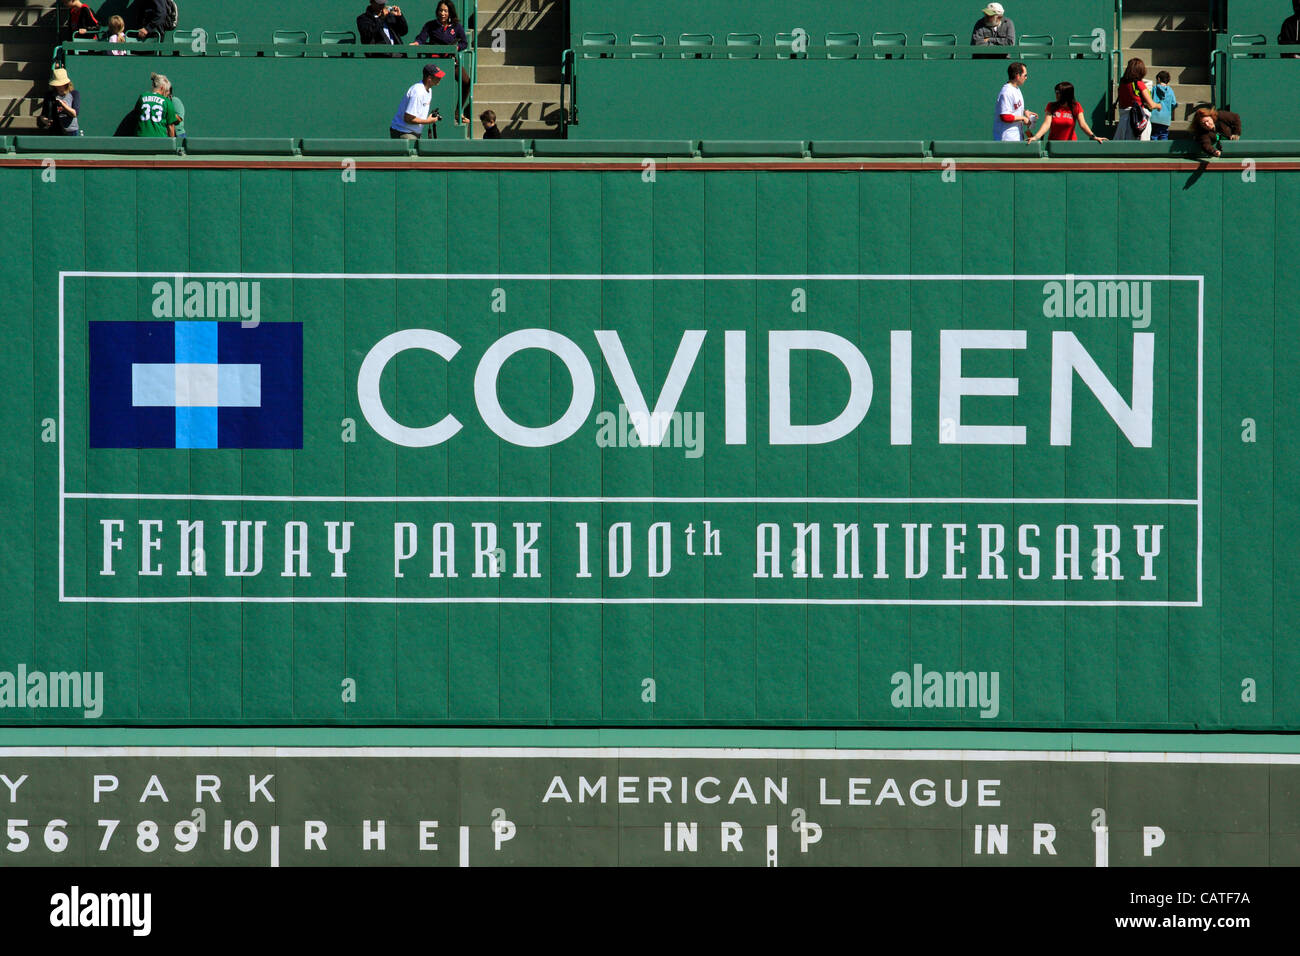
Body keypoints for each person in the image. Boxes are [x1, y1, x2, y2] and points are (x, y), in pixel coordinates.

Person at [410, 0, 471, 120]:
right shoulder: (430, 25)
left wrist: (456, 48)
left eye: (445, 11)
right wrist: (417, 43)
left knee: (467, 82)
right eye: (440, 10)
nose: (442, 13)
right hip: (435, 62)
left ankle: (458, 112)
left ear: (450, 13)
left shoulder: (456, 27)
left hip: (451, 61)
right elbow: (421, 38)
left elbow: (464, 43)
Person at [1028, 81, 1106, 142]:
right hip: (1053, 145)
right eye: (1056, 93)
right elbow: (1046, 124)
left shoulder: (1076, 106)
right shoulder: (1051, 106)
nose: (1056, 95)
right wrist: (1035, 137)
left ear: (1066, 94)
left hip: (1070, 145)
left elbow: (1083, 124)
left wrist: (1094, 137)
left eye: (1059, 93)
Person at [390, 63, 444, 139]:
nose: (440, 78)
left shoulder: (429, 90)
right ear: (429, 78)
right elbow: (408, 118)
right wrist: (428, 121)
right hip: (403, 131)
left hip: (413, 132)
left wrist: (429, 118)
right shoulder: (418, 92)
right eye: (438, 77)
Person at [1113, 57, 1158, 140]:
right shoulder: (1139, 84)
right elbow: (1151, 104)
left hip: (1123, 122)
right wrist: (1159, 106)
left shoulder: (1122, 84)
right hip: (1138, 122)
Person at [993, 61, 1036, 141]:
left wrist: (1025, 112)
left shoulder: (1016, 88)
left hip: (1016, 136)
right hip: (1007, 138)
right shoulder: (1006, 92)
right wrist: (1023, 118)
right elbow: (1005, 116)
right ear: (1017, 76)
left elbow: (1013, 108)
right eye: (1025, 75)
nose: (1026, 78)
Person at [38, 67, 80, 136]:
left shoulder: (74, 94)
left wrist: (63, 105)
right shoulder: (49, 95)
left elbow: (74, 113)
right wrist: (45, 121)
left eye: (60, 84)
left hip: (70, 131)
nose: (58, 86)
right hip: (55, 130)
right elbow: (43, 115)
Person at [135, 72, 178, 137]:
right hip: (160, 139)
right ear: (162, 88)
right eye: (166, 90)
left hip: (141, 138)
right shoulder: (166, 102)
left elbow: (136, 115)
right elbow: (171, 126)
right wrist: (172, 144)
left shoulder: (142, 97)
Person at [1149, 70, 1177, 140]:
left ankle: (1153, 150)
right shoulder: (1170, 90)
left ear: (1158, 79)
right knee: (1164, 135)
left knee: (1154, 135)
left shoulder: (1154, 89)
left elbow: (1150, 100)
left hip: (1154, 118)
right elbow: (1174, 103)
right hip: (1166, 119)